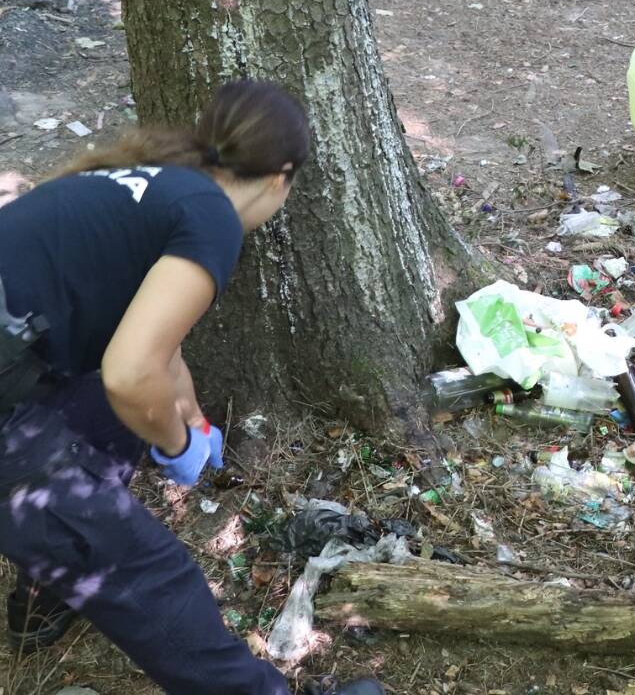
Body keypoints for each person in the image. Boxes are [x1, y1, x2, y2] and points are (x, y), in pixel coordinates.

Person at [0, 80, 384, 695]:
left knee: (107, 413)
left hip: (17, 362)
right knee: (154, 574)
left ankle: (47, 591)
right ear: (281, 176)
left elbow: (158, 352)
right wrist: (176, 442)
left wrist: (195, 419)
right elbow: (132, 373)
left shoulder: (156, 184)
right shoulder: (211, 217)